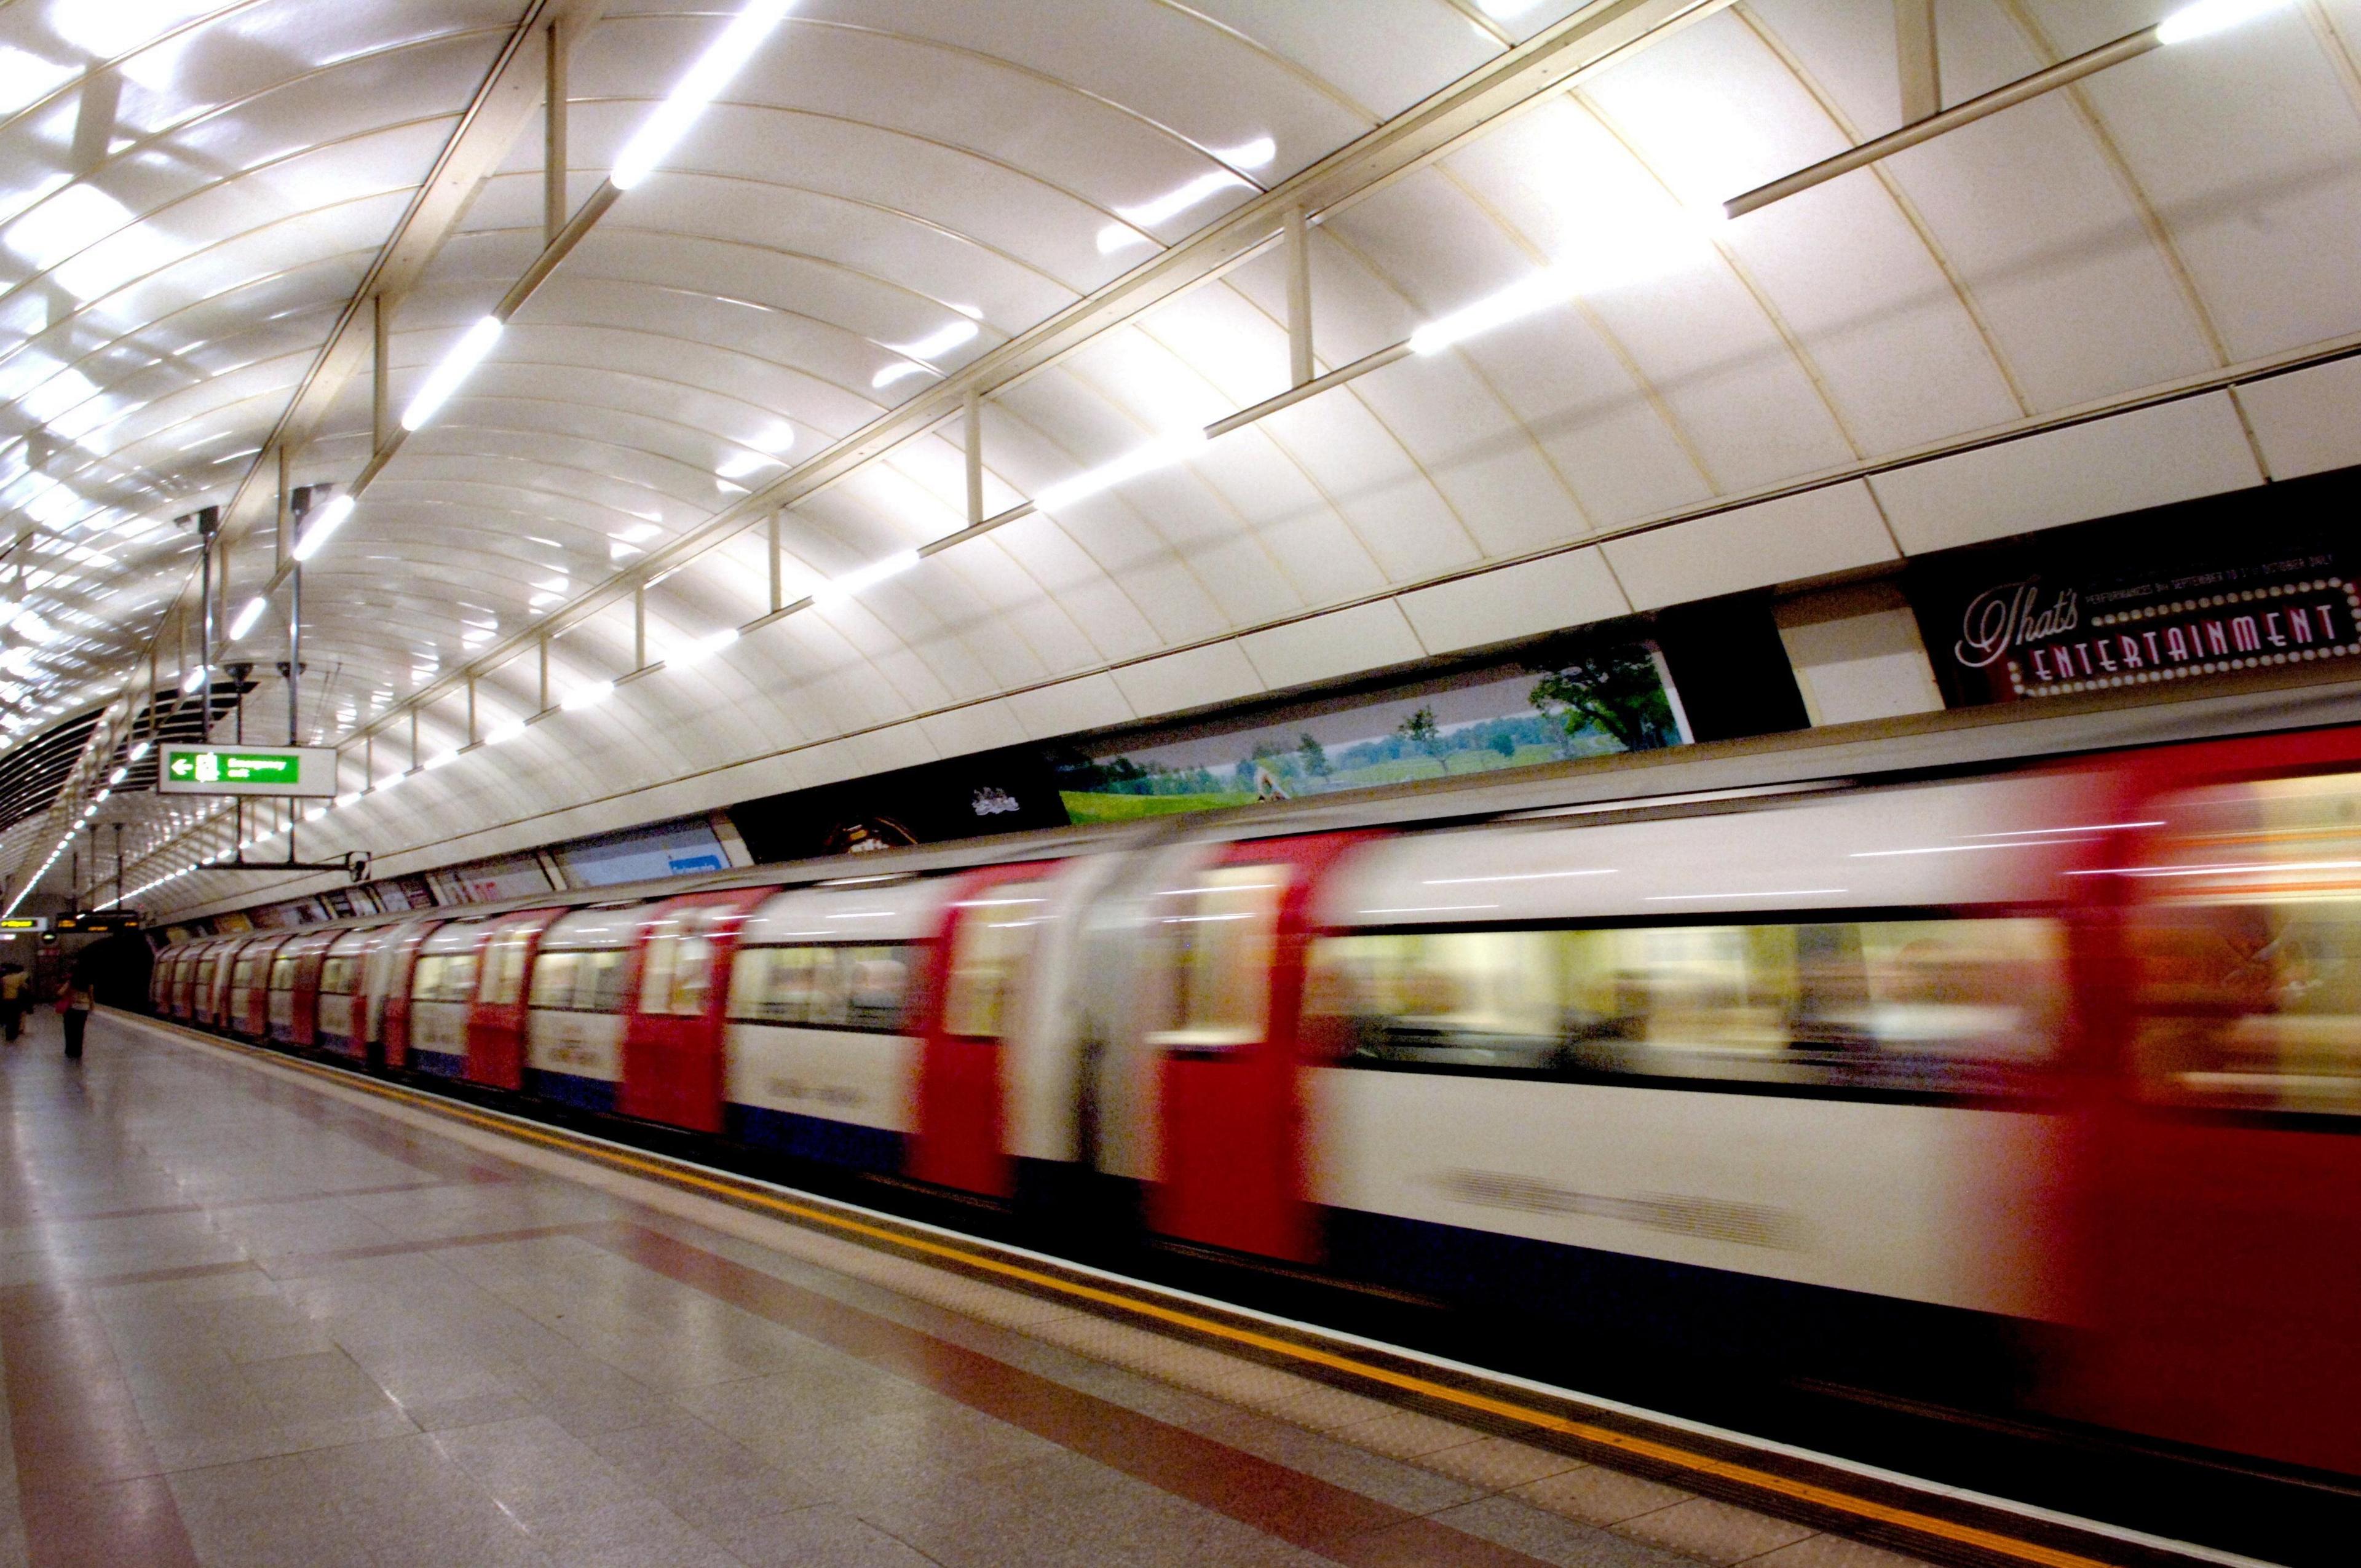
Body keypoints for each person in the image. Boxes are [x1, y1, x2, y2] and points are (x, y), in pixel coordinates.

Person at [58, 967, 92, 1061]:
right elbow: (91, 996)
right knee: (80, 1030)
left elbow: (60, 993)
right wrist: (91, 1007)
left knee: (70, 1030)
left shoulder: (71, 982)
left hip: (72, 1008)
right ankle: (78, 1052)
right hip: (84, 1008)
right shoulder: (88, 983)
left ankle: (70, 1051)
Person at [0, 963, 24, 1042]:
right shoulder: (18, 978)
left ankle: (8, 1035)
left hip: (6, 1000)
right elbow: (23, 986)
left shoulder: (3, 979)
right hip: (15, 1000)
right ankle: (14, 1035)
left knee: (8, 1018)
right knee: (15, 1018)